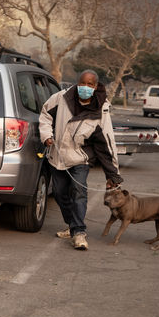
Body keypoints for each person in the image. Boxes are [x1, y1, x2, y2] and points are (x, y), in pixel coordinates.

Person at [39, 69, 123, 250]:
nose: (85, 87)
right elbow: (45, 114)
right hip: (57, 155)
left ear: (95, 86)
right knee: (61, 194)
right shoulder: (61, 98)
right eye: (82, 83)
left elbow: (106, 143)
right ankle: (72, 225)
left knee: (78, 193)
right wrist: (46, 135)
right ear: (77, 83)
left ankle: (79, 232)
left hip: (80, 158)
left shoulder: (102, 109)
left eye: (89, 84)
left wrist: (113, 175)